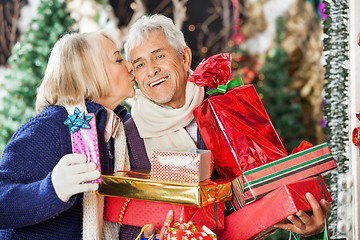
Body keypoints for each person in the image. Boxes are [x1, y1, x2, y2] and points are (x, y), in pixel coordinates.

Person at [121, 14, 331, 239]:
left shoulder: (231, 106)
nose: (151, 70)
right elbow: (122, 222)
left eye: (159, 56)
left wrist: (309, 228)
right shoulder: (129, 137)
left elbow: (275, 191)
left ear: (184, 58)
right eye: (140, 64)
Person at [0, 30, 136, 239]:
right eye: (118, 59)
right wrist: (52, 190)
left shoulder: (114, 132)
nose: (130, 66)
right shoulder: (50, 127)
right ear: (88, 73)